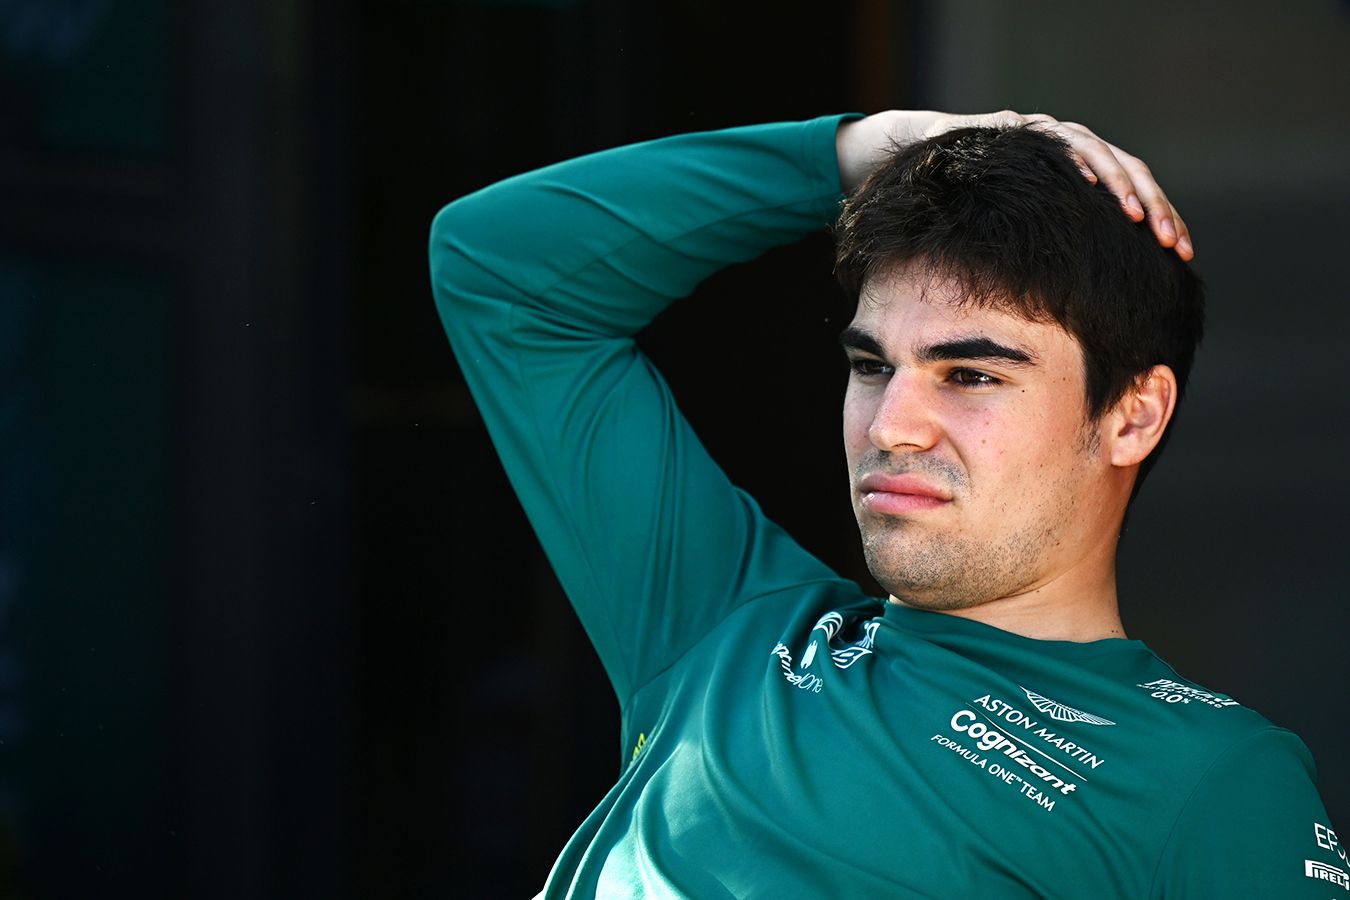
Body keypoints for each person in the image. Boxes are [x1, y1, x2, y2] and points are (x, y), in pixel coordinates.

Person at [428, 110, 1342, 897]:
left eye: (971, 374)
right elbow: (500, 268)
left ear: (1131, 416)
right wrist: (877, 146)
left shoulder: (1213, 781)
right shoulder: (727, 629)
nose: (892, 426)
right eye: (872, 366)